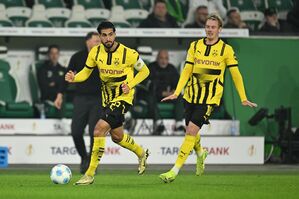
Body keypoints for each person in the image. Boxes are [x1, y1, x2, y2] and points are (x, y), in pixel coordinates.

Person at [159, 13, 257, 183]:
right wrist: (177, 91)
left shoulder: (226, 50)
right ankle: (200, 153)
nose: (210, 30)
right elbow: (187, 71)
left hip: (209, 99)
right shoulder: (195, 46)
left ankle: (174, 171)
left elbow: (236, 75)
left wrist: (243, 97)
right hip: (190, 95)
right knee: (192, 131)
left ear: (220, 29)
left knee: (190, 131)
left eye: (213, 27)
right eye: (207, 27)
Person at [65, 21, 150, 185]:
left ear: (115, 34)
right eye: (104, 35)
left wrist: (130, 85)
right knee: (117, 137)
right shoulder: (95, 53)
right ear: (100, 37)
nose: (108, 38)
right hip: (107, 99)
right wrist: (74, 78)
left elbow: (145, 71)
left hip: (123, 98)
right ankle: (141, 153)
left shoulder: (128, 53)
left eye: (110, 34)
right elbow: (86, 72)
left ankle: (89, 174)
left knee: (98, 129)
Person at [54, 32, 102, 174]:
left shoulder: (105, 57)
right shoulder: (77, 57)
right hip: (80, 98)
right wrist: (60, 95)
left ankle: (92, 163)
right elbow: (67, 76)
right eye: (95, 41)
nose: (98, 44)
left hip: (98, 99)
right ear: (87, 42)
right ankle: (84, 158)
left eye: (100, 41)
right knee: (76, 132)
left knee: (95, 133)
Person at [148, 49, 184, 131]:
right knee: (149, 96)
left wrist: (174, 92)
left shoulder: (171, 68)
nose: (164, 61)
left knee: (179, 96)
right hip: (156, 95)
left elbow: (178, 84)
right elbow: (149, 86)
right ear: (157, 58)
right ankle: (158, 123)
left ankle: (179, 124)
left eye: (166, 58)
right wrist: (162, 93)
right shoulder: (151, 67)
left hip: (168, 96)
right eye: (161, 58)